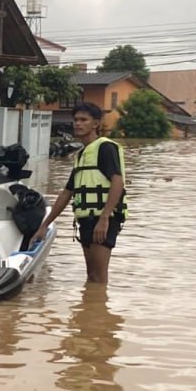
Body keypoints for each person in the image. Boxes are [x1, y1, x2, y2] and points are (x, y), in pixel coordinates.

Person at [35, 102, 127, 284]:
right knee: (91, 276)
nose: (77, 123)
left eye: (83, 120)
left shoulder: (105, 148)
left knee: (99, 277)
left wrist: (104, 218)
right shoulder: (82, 154)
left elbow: (118, 181)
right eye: (76, 120)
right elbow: (67, 192)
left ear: (96, 124)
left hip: (103, 219)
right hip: (86, 219)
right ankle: (91, 309)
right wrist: (44, 225)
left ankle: (99, 310)